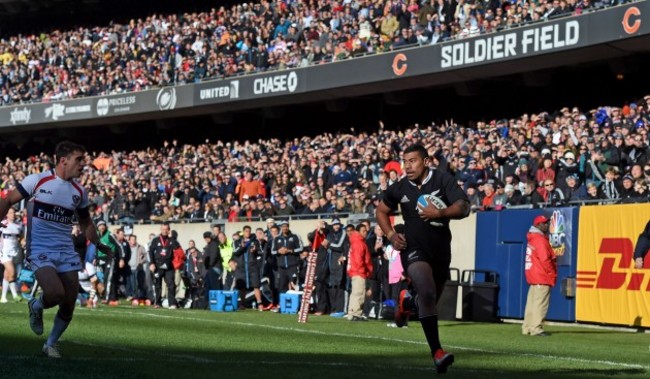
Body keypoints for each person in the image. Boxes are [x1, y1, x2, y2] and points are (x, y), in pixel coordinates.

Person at [0, 141, 112, 358]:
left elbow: (86, 222)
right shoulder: (37, 180)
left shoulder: (79, 191)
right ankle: (36, 304)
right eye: (79, 159)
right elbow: (9, 200)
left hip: (66, 250)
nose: (83, 164)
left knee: (69, 302)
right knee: (55, 293)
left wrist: (98, 243)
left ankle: (50, 344)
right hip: (40, 247)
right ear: (64, 160)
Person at [376, 144, 470, 374]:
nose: (407, 166)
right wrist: (390, 234)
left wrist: (440, 213)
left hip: (440, 251)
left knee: (430, 300)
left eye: (413, 161)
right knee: (427, 293)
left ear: (426, 161)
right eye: (405, 161)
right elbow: (380, 211)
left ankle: (407, 302)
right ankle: (437, 353)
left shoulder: (442, 180)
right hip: (413, 248)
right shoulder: (399, 187)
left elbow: (464, 206)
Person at [522, 215, 557, 337]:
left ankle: (527, 327)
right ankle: (536, 328)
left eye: (547, 222)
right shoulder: (539, 239)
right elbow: (545, 260)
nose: (546, 225)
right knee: (540, 304)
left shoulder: (533, 238)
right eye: (543, 223)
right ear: (537, 225)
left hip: (533, 275)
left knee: (532, 303)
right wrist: (552, 275)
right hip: (541, 275)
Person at [148, 222, 181, 309]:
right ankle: (157, 302)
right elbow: (150, 251)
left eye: (166, 229)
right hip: (158, 265)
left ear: (169, 230)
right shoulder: (156, 240)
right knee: (157, 285)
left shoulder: (172, 240)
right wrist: (151, 263)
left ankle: (172, 303)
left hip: (169, 266)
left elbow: (177, 248)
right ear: (160, 229)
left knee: (171, 285)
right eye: (163, 229)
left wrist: (172, 238)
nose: (165, 231)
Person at [346, 224, 373, 321]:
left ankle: (352, 313)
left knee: (355, 293)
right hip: (359, 271)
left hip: (355, 271)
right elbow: (359, 260)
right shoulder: (359, 243)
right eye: (363, 231)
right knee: (359, 294)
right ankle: (356, 314)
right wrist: (364, 270)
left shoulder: (356, 241)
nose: (365, 232)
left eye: (366, 231)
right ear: (358, 232)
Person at [1, 207, 23, 303]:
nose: (12, 214)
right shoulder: (3, 224)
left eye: (14, 212)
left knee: (7, 274)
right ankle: (15, 295)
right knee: (12, 272)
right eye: (10, 213)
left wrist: (23, 242)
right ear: (7, 214)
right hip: (4, 251)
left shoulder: (18, 225)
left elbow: (21, 238)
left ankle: (3, 297)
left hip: (14, 251)